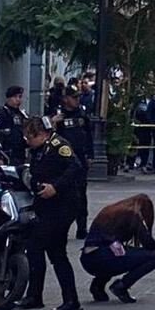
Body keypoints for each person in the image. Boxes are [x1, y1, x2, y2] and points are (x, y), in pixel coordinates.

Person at [18, 117, 85, 310]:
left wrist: (56, 187)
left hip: (62, 205)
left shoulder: (59, 145)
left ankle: (63, 299)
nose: (27, 142)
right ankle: (40, 295)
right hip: (47, 206)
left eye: (29, 137)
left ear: (40, 134)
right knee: (45, 250)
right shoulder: (40, 149)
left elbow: (75, 168)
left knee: (44, 248)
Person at [81, 194, 155, 304]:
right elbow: (150, 244)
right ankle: (122, 285)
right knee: (154, 257)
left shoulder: (109, 211)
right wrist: (144, 226)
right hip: (103, 258)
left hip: (88, 258)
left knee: (114, 251)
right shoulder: (133, 214)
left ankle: (98, 285)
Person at [54, 84, 93, 240]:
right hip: (63, 161)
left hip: (80, 158)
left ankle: (82, 227)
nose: (77, 100)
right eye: (74, 97)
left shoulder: (82, 114)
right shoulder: (58, 115)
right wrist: (53, 123)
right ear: (66, 99)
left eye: (78, 97)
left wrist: (90, 155)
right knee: (62, 194)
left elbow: (88, 135)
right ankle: (60, 228)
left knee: (81, 195)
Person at [0, 85, 28, 166]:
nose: (18, 99)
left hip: (19, 156)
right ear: (8, 98)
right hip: (4, 156)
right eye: (15, 97)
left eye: (19, 97)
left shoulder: (22, 115)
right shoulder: (0, 113)